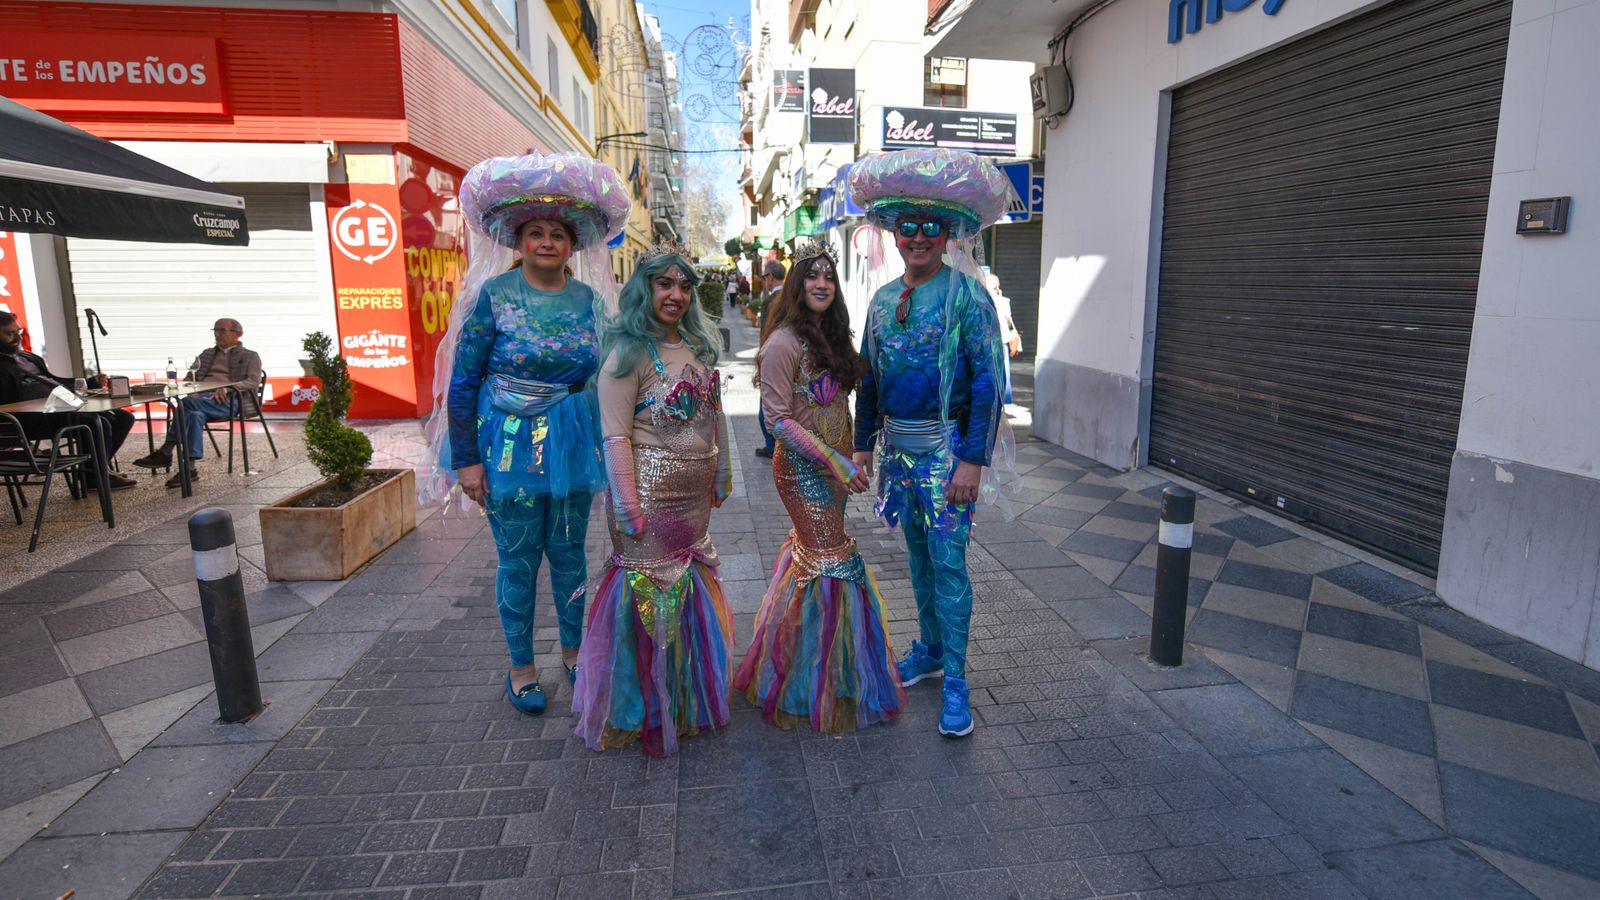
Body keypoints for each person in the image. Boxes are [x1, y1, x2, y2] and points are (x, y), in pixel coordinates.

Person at [434, 152, 629, 716]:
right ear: (519, 241)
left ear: (572, 245)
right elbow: (464, 382)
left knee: (569, 556)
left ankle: (573, 653)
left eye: (558, 234)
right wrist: (467, 460)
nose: (547, 242)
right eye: (536, 233)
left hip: (573, 447)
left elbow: (611, 374)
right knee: (517, 560)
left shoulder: (590, 302)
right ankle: (521, 666)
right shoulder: (493, 296)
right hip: (508, 448)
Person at [848, 148, 1012, 738]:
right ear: (893, 234)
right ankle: (932, 649)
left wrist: (972, 461)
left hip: (947, 456)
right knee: (917, 557)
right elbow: (870, 378)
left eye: (930, 227)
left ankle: (959, 682)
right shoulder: (881, 300)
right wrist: (864, 445)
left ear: (947, 235)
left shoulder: (968, 297)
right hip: (899, 456)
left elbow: (989, 382)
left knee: (948, 563)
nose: (917, 237)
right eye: (907, 226)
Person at [734, 239, 904, 732]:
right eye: (812, 275)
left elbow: (842, 405)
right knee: (832, 558)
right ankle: (819, 679)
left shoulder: (832, 337)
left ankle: (812, 669)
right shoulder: (782, 343)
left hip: (836, 469)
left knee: (814, 556)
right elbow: (778, 422)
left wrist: (852, 455)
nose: (822, 284)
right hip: (802, 470)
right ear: (796, 284)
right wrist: (832, 459)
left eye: (829, 276)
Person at [573, 240, 735, 758]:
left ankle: (682, 699)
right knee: (647, 600)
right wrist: (627, 505)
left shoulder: (699, 347)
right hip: (646, 500)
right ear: (644, 289)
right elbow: (615, 436)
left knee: (686, 593)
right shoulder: (626, 354)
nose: (676, 295)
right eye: (664, 283)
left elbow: (714, 416)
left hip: (692, 506)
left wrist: (723, 473)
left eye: (684, 285)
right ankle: (638, 707)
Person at [0, 311, 137, 490]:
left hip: (58, 407)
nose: (17, 338)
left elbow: (54, 382)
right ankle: (94, 476)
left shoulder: (27, 357)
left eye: (18, 332)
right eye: (9, 334)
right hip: (32, 418)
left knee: (123, 417)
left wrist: (89, 383)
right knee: (97, 423)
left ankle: (96, 469)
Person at [129, 318, 261, 488]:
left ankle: (166, 450)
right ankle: (189, 469)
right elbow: (189, 379)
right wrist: (196, 393)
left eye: (222, 330)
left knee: (186, 403)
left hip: (230, 400)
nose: (217, 334)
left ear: (238, 334)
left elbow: (253, 381)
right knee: (194, 415)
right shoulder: (206, 354)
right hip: (201, 399)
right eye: (215, 330)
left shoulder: (250, 356)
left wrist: (227, 388)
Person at [754, 258, 786, 459]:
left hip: (772, 358)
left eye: (765, 276)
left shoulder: (770, 301)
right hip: (790, 359)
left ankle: (771, 445)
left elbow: (765, 332)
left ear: (771, 277)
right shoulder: (793, 297)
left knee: (765, 407)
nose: (765, 280)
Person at [984, 271, 1022, 404]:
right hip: (998, 342)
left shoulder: (984, 301)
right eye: (996, 287)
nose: (999, 290)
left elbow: (1008, 322)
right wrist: (1013, 334)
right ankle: (1001, 399)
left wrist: (1014, 335)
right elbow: (1009, 322)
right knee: (1000, 373)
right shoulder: (1002, 302)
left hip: (993, 342)